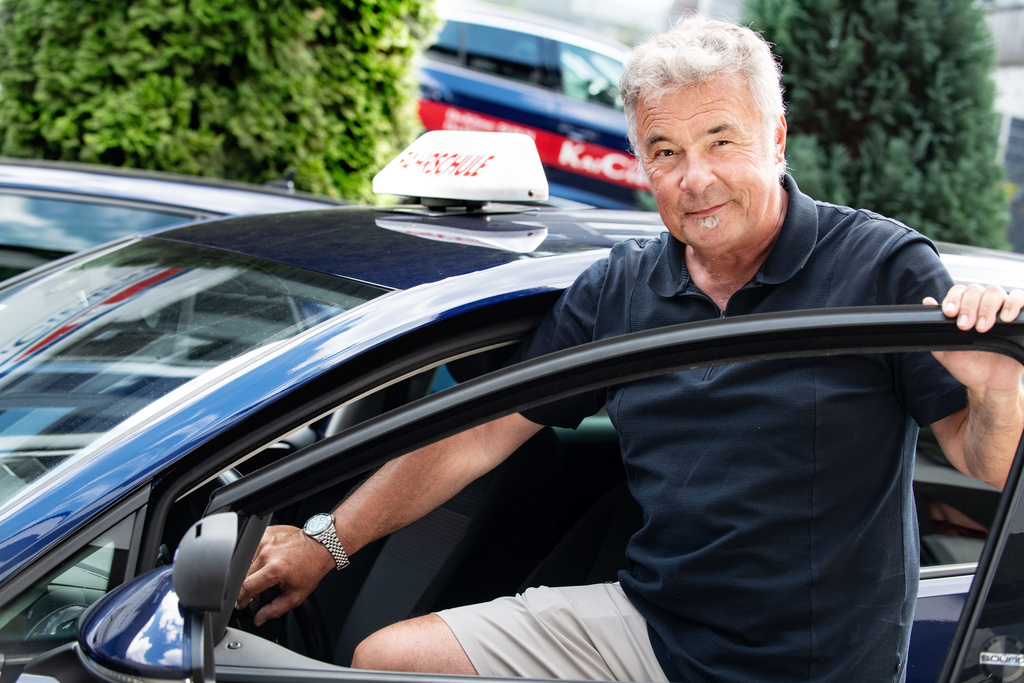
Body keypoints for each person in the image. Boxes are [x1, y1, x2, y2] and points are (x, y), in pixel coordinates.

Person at [237, 14, 1024, 682]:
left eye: (721, 140)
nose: (694, 178)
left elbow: (987, 463)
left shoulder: (881, 266)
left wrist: (996, 388)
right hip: (651, 628)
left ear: (776, 137)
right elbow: (479, 429)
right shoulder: (619, 288)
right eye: (665, 150)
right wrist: (325, 543)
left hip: (817, 665)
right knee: (387, 660)